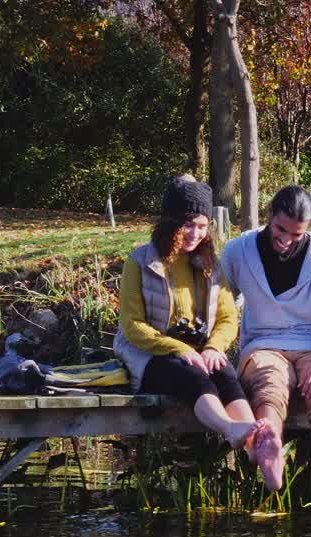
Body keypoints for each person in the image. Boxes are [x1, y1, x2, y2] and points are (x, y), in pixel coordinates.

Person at [113, 175, 282, 486]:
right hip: (149, 352)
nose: (195, 233)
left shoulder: (209, 264)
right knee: (192, 376)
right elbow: (132, 325)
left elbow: (228, 317)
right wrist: (180, 349)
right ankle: (231, 430)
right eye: (188, 224)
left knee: (225, 374)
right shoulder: (140, 261)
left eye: (202, 226)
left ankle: (259, 440)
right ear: (170, 222)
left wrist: (214, 347)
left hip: (200, 350)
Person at [219, 185, 311, 525]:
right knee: (270, 381)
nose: (287, 240)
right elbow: (218, 307)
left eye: (297, 234)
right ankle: (269, 451)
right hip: (263, 344)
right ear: (269, 217)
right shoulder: (238, 251)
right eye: (281, 230)